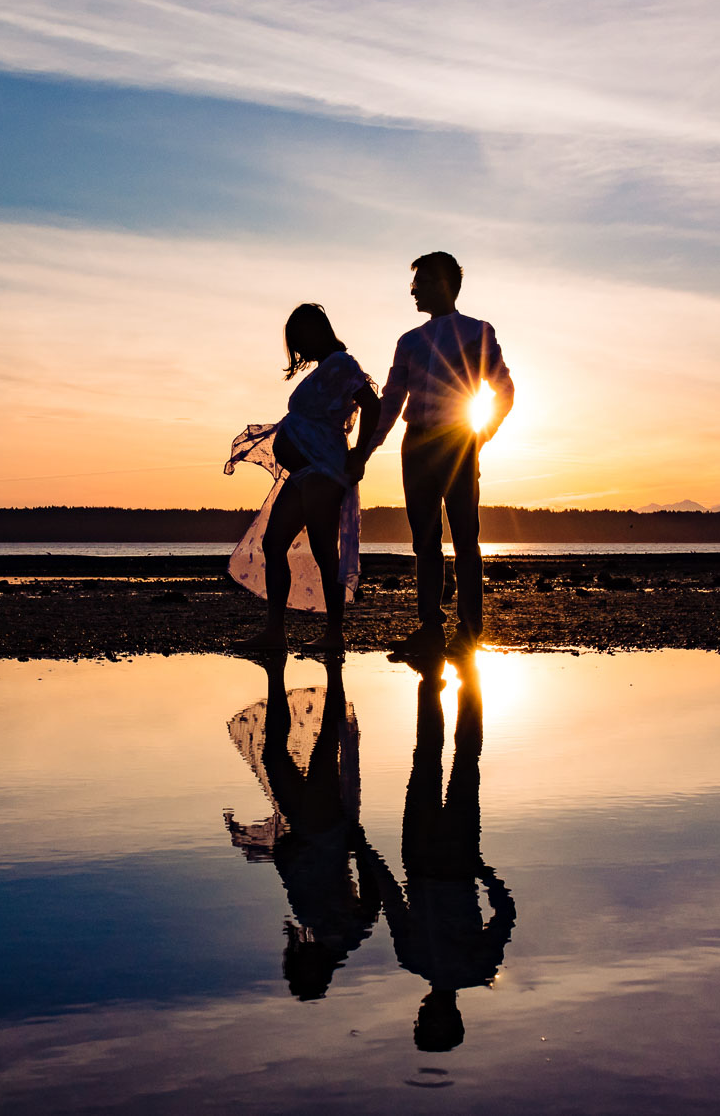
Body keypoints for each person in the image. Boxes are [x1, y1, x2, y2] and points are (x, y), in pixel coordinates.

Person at [353, 252, 513, 657]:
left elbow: (504, 390)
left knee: (465, 538)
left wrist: (482, 434)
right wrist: (364, 451)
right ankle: (429, 628)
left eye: (421, 282)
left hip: (458, 441)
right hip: (417, 443)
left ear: (443, 284)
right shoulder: (409, 341)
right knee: (424, 540)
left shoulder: (478, 331)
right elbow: (390, 402)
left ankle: (469, 630)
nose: (413, 290)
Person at [354, 654, 515, 1051]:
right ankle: (432, 677)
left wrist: (484, 872)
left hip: (456, 861)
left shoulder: (477, 968)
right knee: (429, 759)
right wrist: (363, 847)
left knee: (462, 762)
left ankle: (463, 674)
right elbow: (391, 897)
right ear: (427, 1012)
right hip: (429, 860)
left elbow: (505, 913)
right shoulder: (416, 960)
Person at [223, 655, 379, 1000]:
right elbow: (372, 895)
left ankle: (286, 675)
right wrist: (360, 845)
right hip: (326, 830)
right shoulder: (345, 936)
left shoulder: (319, 929)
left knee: (282, 756)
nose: (298, 960)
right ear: (317, 973)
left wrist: (286, 851)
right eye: (302, 971)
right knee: (318, 748)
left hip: (312, 831)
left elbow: (297, 876)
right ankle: (328, 671)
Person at [225, 304, 380, 651]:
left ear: (315, 332)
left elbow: (373, 405)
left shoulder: (342, 364)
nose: (299, 350)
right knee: (273, 543)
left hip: (324, 470)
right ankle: (275, 632)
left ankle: (334, 635)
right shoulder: (328, 368)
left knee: (325, 549)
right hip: (305, 472)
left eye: (300, 340)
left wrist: (360, 454)